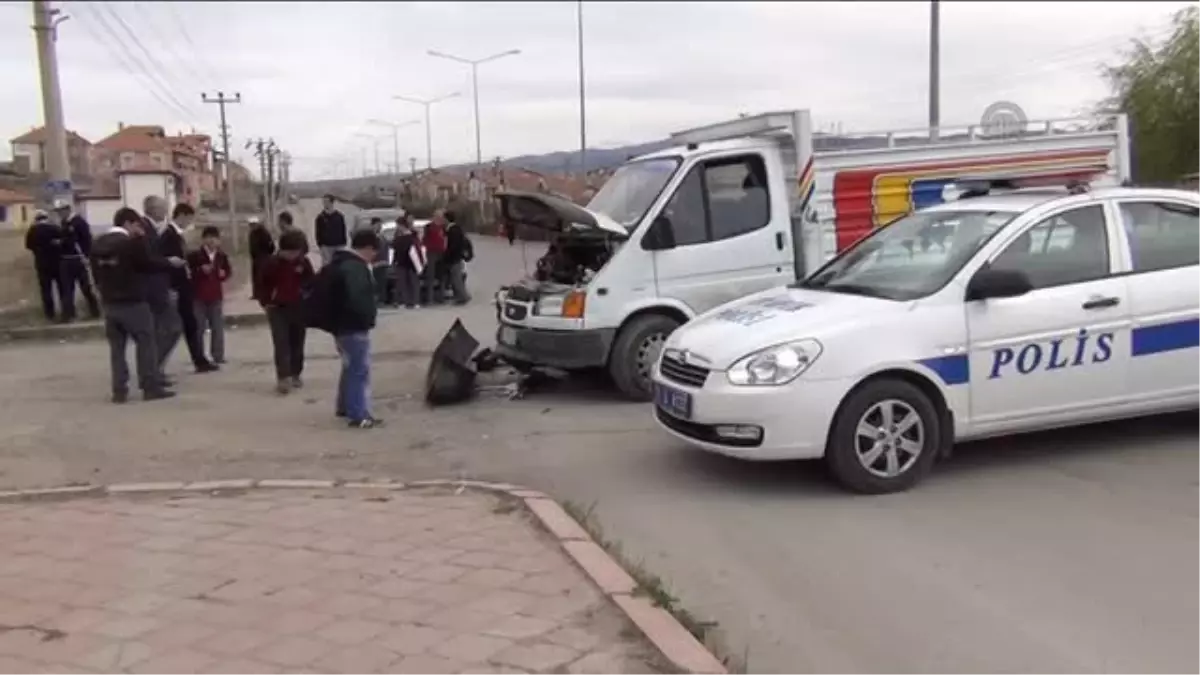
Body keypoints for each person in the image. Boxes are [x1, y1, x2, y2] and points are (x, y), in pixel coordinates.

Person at [90, 207, 179, 403]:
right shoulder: (130, 244)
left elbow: (95, 274)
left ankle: (119, 390)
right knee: (146, 343)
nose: (139, 228)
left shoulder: (97, 244)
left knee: (117, 349)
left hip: (109, 303)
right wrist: (169, 262)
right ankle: (150, 386)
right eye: (137, 225)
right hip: (133, 301)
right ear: (127, 224)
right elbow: (147, 264)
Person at [329, 230, 382, 428]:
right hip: (353, 326)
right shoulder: (356, 268)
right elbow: (359, 298)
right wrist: (368, 318)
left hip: (340, 325)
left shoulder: (341, 263)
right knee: (359, 370)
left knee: (349, 366)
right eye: (374, 252)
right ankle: (358, 414)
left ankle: (345, 406)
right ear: (368, 248)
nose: (374, 256)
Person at [161, 203, 218, 373]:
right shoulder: (168, 236)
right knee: (178, 327)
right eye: (189, 219)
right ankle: (158, 364)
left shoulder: (176, 235)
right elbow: (170, 261)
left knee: (190, 324)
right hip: (177, 286)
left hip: (184, 285)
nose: (189, 223)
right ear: (182, 216)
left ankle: (200, 359)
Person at [257, 230, 315, 395]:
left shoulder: (303, 263)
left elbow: (311, 282)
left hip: (298, 307)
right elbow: (261, 285)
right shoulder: (271, 264)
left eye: (297, 252)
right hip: (277, 309)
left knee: (297, 341)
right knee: (281, 342)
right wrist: (266, 302)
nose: (294, 255)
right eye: (291, 252)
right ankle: (283, 377)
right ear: (282, 250)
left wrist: (307, 296)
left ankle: (296, 373)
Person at [141, 195, 183, 388]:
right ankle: (151, 371)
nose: (165, 213)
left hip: (161, 286)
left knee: (163, 330)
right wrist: (169, 262)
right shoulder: (145, 230)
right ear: (152, 209)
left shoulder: (154, 230)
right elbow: (147, 260)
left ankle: (154, 370)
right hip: (154, 289)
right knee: (170, 328)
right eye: (163, 209)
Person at [186, 226, 232, 365]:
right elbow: (188, 273)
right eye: (209, 237)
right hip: (198, 295)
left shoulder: (222, 256)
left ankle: (218, 355)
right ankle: (199, 356)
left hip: (215, 295)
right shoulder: (195, 255)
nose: (212, 241)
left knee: (217, 326)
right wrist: (200, 270)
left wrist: (224, 275)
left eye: (214, 238)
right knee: (199, 327)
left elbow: (228, 271)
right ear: (203, 239)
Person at [53, 198, 101, 322]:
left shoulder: (79, 222)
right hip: (65, 259)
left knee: (85, 287)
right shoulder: (64, 223)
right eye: (58, 211)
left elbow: (86, 240)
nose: (60, 214)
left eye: (61, 211)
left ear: (68, 209)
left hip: (79, 259)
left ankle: (95, 311)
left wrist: (87, 256)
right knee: (67, 289)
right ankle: (67, 315)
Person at [24, 210, 62, 321]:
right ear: (46, 218)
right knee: (61, 287)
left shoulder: (33, 230)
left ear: (36, 219)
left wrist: (37, 249)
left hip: (41, 263)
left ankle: (49, 313)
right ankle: (66, 310)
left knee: (46, 289)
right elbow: (61, 242)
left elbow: (28, 245)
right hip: (56, 262)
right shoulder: (54, 228)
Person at [391, 215, 424, 309]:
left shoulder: (410, 237)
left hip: (408, 263)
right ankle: (409, 302)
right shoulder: (406, 237)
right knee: (406, 283)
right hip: (405, 263)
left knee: (409, 283)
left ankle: (412, 301)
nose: (397, 227)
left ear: (402, 225)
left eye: (398, 225)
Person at [442, 210, 472, 305]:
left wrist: (447, 255)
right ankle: (461, 296)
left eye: (443, 218)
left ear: (447, 219)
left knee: (456, 279)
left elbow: (454, 246)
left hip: (454, 258)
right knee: (455, 278)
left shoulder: (454, 230)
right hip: (455, 258)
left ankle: (463, 297)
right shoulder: (451, 229)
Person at [421, 210, 448, 304]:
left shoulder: (444, 227)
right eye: (437, 216)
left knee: (441, 276)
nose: (439, 218)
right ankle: (430, 298)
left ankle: (441, 298)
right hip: (431, 252)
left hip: (442, 252)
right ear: (434, 217)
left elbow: (446, 239)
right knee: (430, 276)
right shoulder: (428, 227)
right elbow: (424, 240)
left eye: (441, 217)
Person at [247, 216, 275, 302]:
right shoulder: (252, 234)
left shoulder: (264, 233)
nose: (252, 226)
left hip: (264, 256)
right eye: (251, 224)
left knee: (261, 276)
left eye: (254, 224)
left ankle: (262, 293)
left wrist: (268, 255)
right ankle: (256, 294)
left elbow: (270, 245)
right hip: (255, 257)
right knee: (255, 276)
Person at [314, 194, 347, 266]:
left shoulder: (339, 216)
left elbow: (343, 229)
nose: (325, 204)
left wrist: (344, 242)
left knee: (339, 265)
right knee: (327, 266)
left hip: (338, 245)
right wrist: (320, 244)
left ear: (332, 202)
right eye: (323, 202)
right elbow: (318, 231)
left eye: (326, 201)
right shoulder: (320, 217)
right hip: (326, 246)